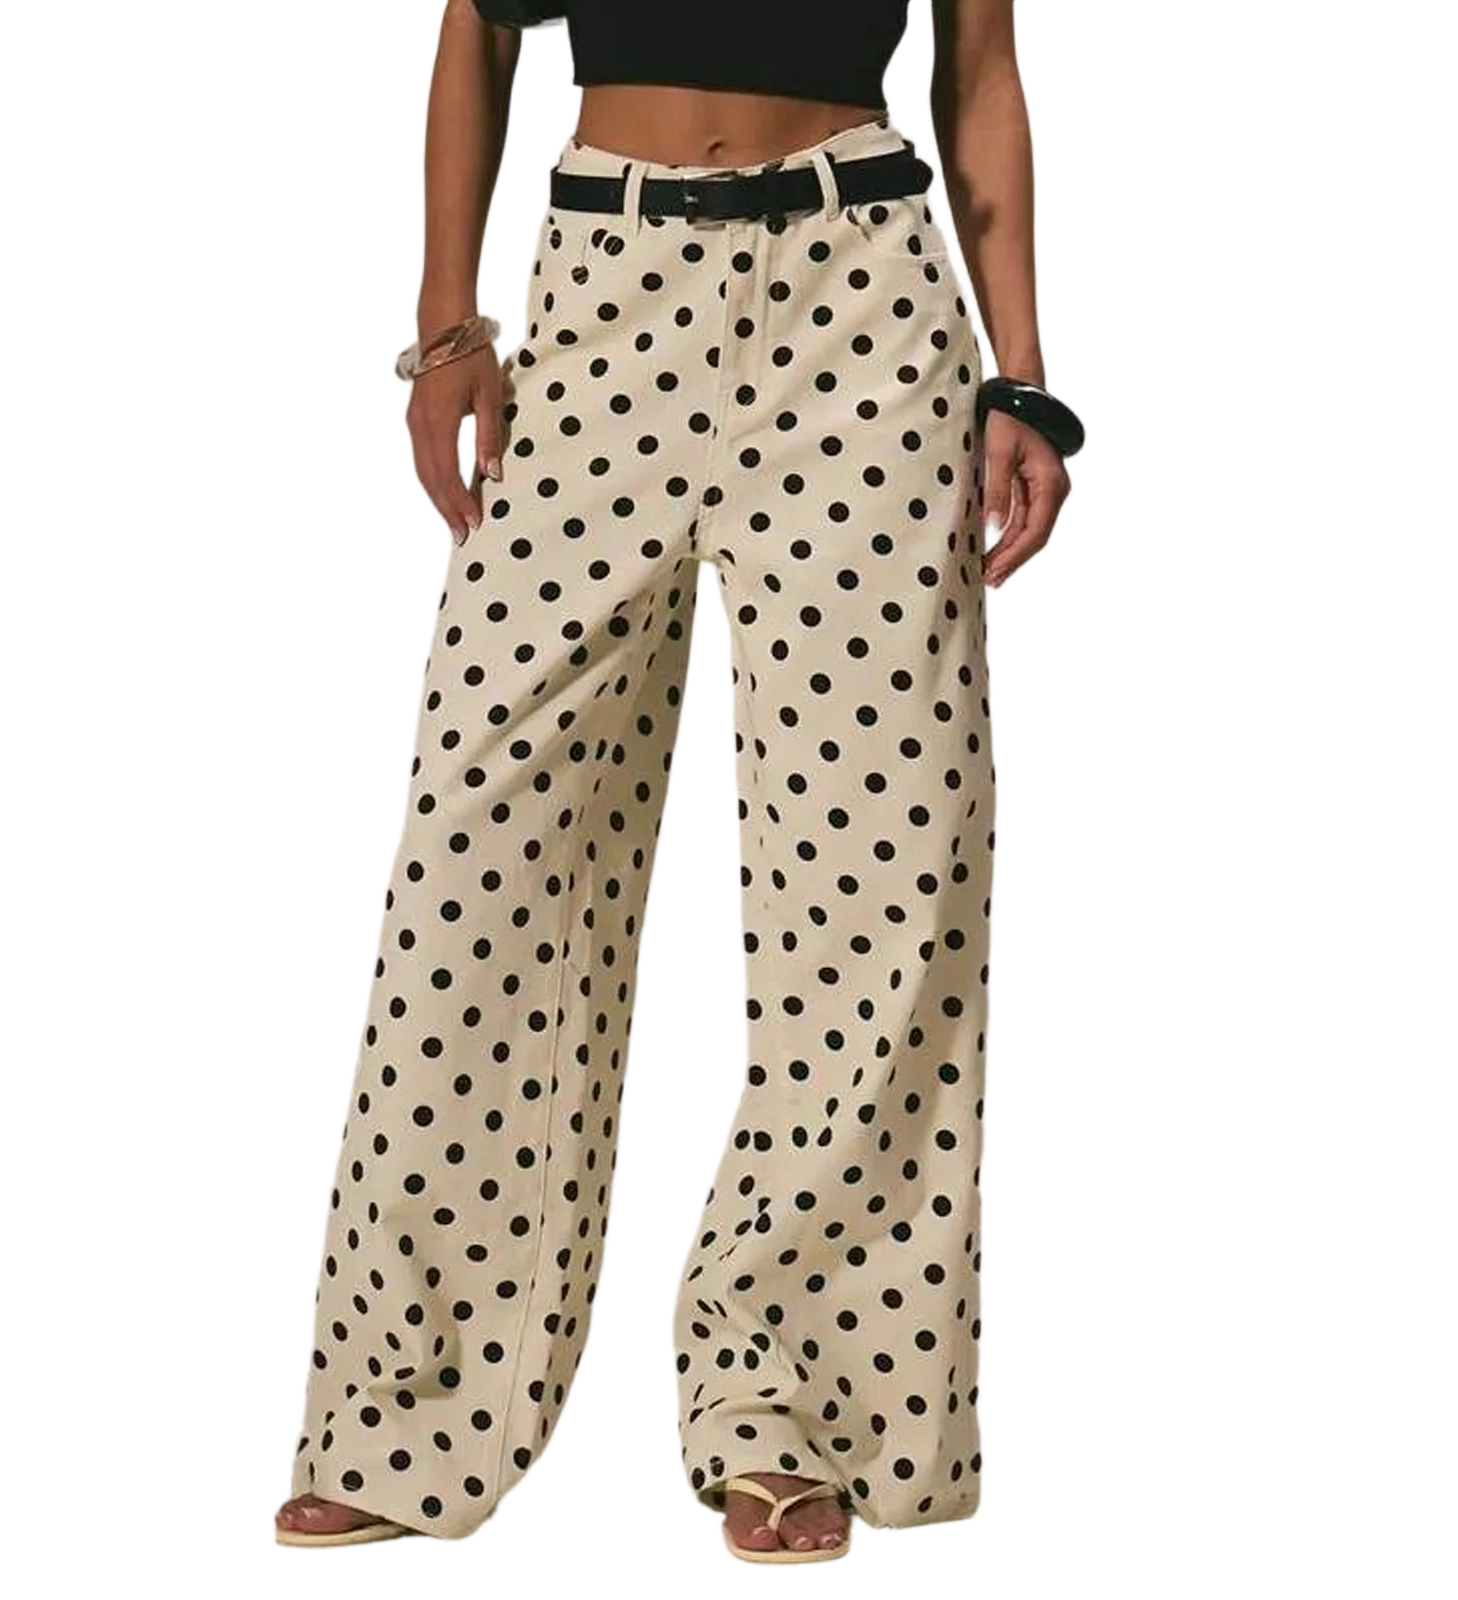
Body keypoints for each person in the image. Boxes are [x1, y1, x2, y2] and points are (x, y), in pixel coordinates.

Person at [274, 0, 1077, 1565]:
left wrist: (1024, 380)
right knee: (482, 850)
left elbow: (981, 73)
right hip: (604, 290)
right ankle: (408, 1406)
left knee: (884, 876)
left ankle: (797, 1406)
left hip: (862, 303)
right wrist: (448, 328)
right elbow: (477, 27)